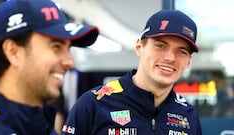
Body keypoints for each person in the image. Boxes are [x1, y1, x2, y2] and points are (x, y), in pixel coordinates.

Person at [62, 10, 202, 135]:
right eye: (160, 45)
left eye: (181, 51)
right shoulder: (93, 104)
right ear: (139, 47)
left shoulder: (188, 115)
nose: (170, 58)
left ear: (189, 61)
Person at [0, 0, 99, 134]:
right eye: (56, 46)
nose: (70, 62)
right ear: (13, 52)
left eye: (68, 48)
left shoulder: (42, 125)